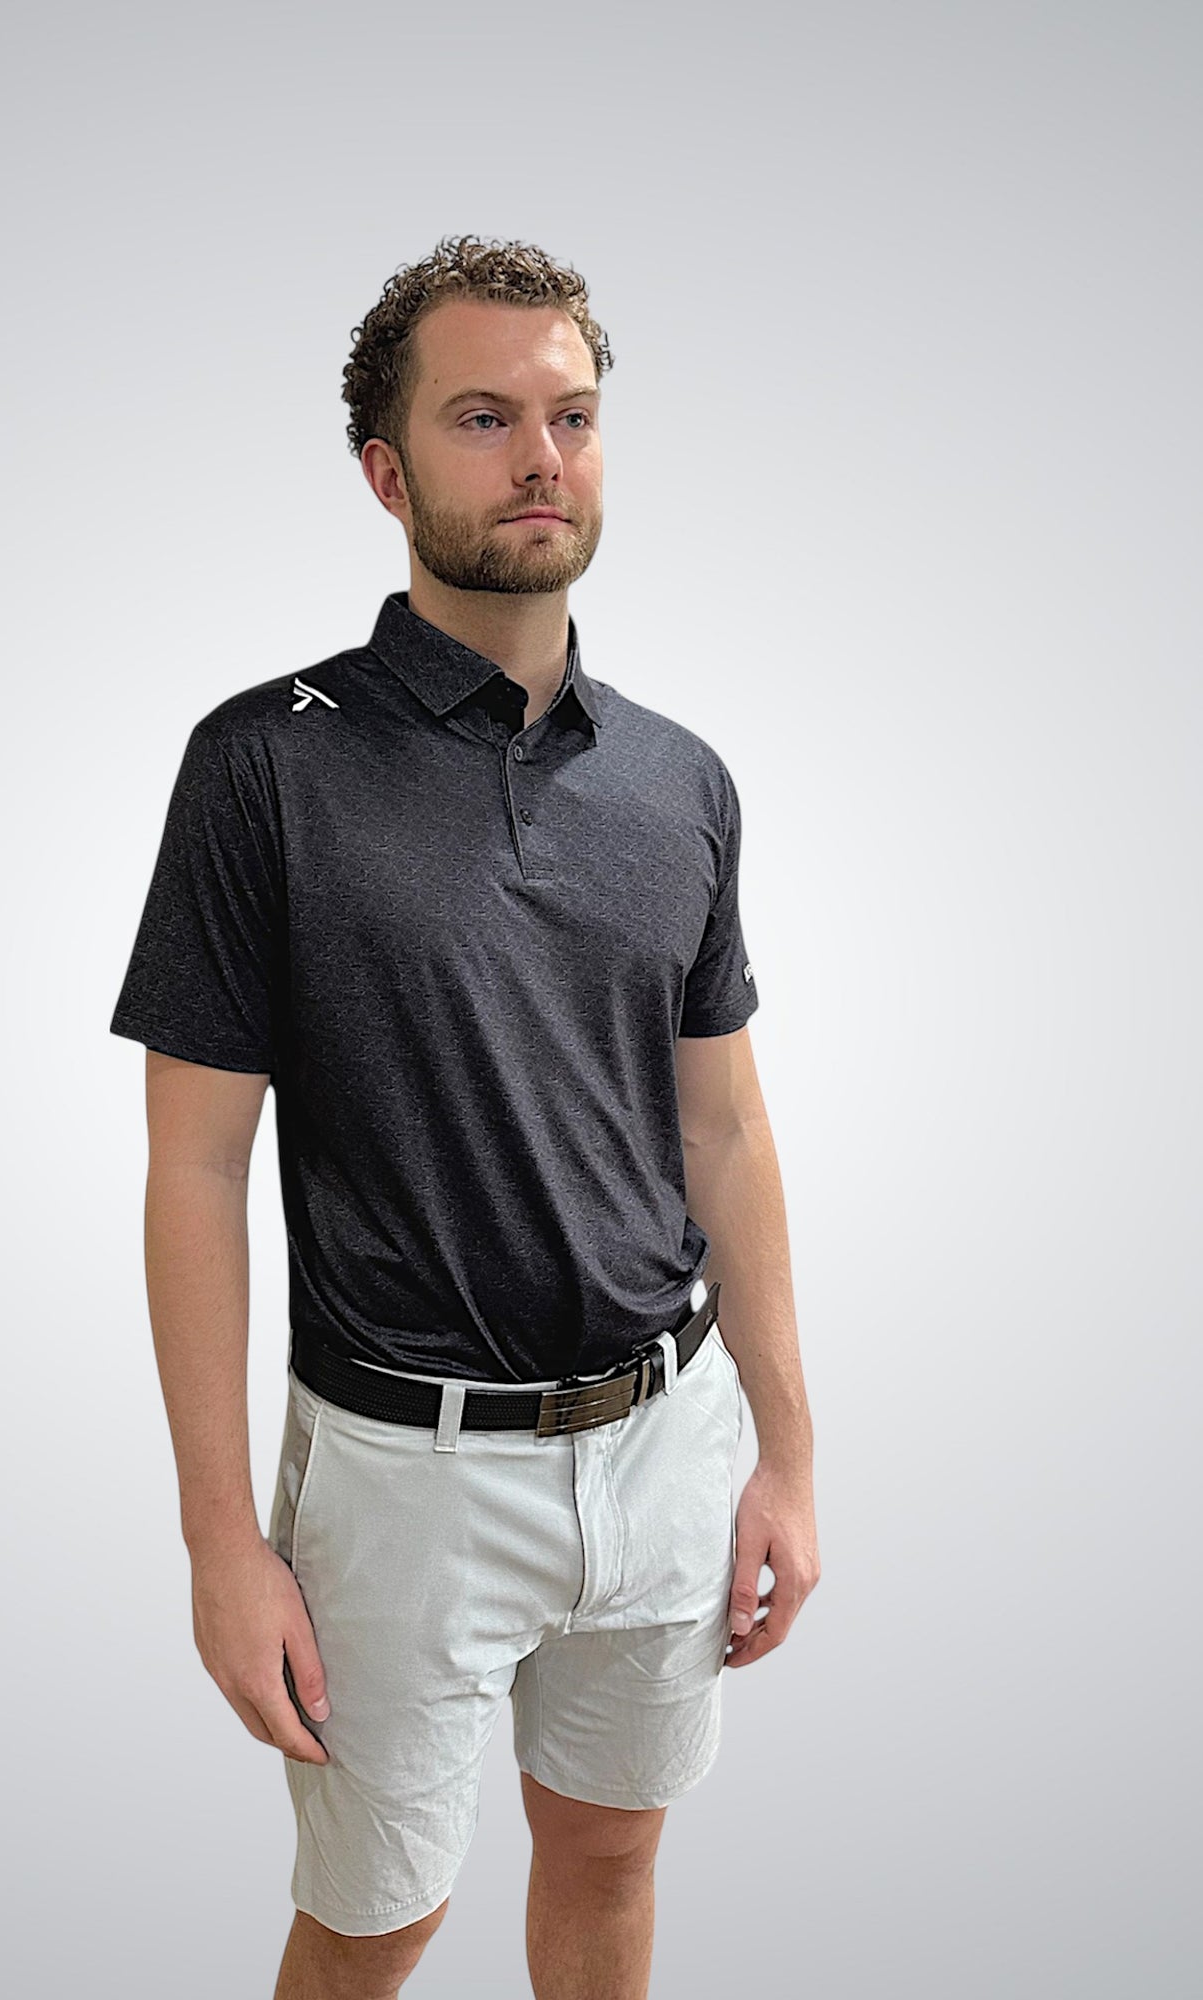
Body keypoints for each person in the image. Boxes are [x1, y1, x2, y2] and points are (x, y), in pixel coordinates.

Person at [110, 233, 819, 2000]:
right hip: (400, 1477)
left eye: (571, 416)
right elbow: (195, 1168)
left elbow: (725, 1134)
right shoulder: (265, 764)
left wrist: (788, 1456)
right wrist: (218, 1543)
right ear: (387, 470)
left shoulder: (679, 776)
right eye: (484, 418)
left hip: (664, 1440)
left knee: (611, 1855)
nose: (540, 458)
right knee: (376, 1926)